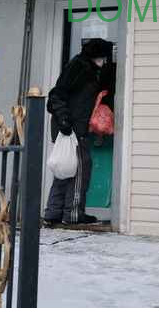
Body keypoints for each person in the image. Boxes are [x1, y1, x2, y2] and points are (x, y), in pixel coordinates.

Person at [44, 37, 113, 226]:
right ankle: (73, 214)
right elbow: (56, 95)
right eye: (103, 57)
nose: (104, 61)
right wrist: (65, 119)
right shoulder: (80, 68)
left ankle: (53, 212)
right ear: (97, 56)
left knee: (64, 169)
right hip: (71, 128)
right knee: (80, 170)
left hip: (68, 126)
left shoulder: (87, 68)